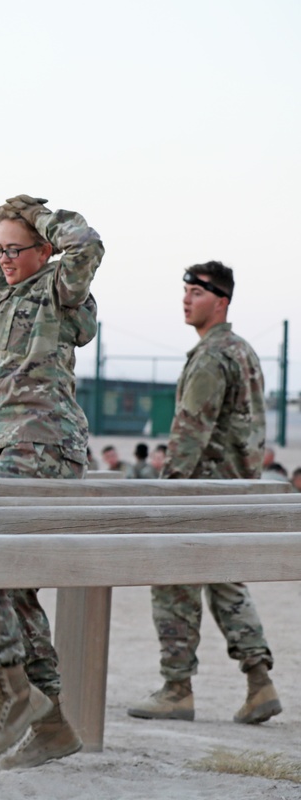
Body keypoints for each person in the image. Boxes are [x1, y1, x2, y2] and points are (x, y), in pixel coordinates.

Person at [0, 192, 104, 769]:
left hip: (44, 449)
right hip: (19, 449)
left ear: (44, 251)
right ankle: (52, 723)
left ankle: (14, 689)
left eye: (16, 249)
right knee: (12, 584)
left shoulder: (60, 288)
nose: (3, 258)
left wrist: (46, 222)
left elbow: (88, 244)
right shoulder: (4, 292)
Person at [127, 260, 280, 726]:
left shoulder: (213, 356)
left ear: (221, 300)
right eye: (185, 290)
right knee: (226, 582)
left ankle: (177, 688)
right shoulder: (245, 351)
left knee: (173, 582)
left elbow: (190, 430)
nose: (187, 298)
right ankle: (260, 683)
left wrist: (168, 494)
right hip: (235, 490)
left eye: (197, 291)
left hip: (204, 489)